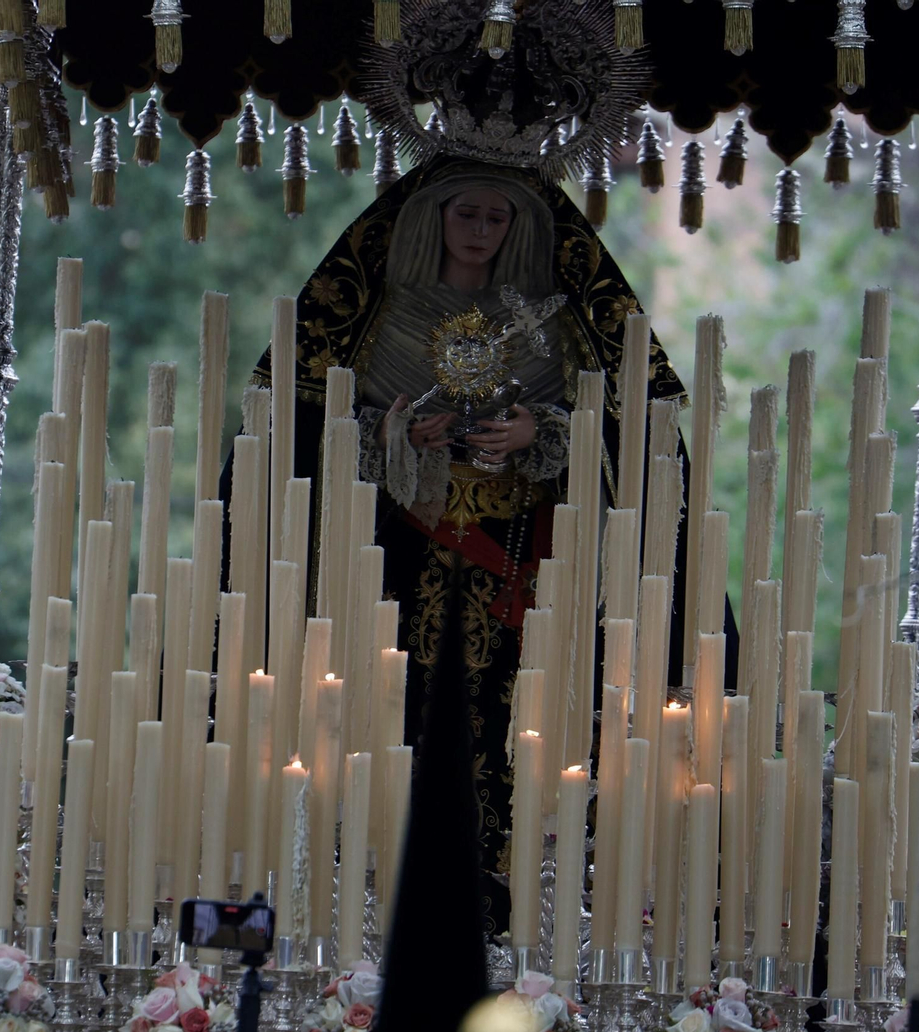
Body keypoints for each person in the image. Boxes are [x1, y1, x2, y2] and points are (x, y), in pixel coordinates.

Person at [243, 154, 715, 941]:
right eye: (467, 214)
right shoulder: (387, 313)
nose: (482, 231)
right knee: (399, 707)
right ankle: (375, 881)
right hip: (399, 554)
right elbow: (314, 423)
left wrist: (542, 432)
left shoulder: (548, 321)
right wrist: (397, 434)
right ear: (436, 216)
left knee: (511, 718)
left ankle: (513, 888)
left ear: (520, 227)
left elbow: (615, 422)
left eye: (499, 218)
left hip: (519, 558)